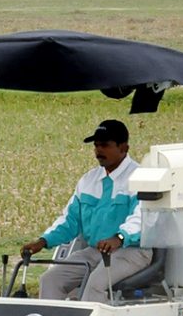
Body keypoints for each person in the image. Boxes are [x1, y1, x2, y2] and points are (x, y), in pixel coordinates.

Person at [20, 119, 152, 303]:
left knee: (95, 284)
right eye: (96, 146)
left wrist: (119, 238)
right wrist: (43, 241)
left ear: (124, 148)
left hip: (132, 251)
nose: (98, 151)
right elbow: (69, 220)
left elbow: (143, 218)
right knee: (50, 280)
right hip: (95, 251)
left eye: (105, 145)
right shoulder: (88, 180)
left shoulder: (140, 177)